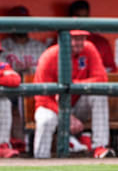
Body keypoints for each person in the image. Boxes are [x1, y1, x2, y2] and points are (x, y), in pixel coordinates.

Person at [33, 30, 113, 159]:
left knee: (99, 95)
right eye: (74, 39)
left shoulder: (89, 49)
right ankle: (41, 159)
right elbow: (42, 97)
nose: (78, 43)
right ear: (63, 40)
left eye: (82, 38)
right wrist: (66, 116)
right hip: (52, 107)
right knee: (45, 120)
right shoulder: (50, 56)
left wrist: (74, 84)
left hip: (78, 106)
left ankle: (99, 146)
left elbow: (101, 79)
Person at [0, 6, 47, 75]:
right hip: (12, 84)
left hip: (36, 84)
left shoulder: (40, 47)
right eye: (18, 21)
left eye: (25, 21)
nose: (23, 25)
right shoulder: (2, 47)